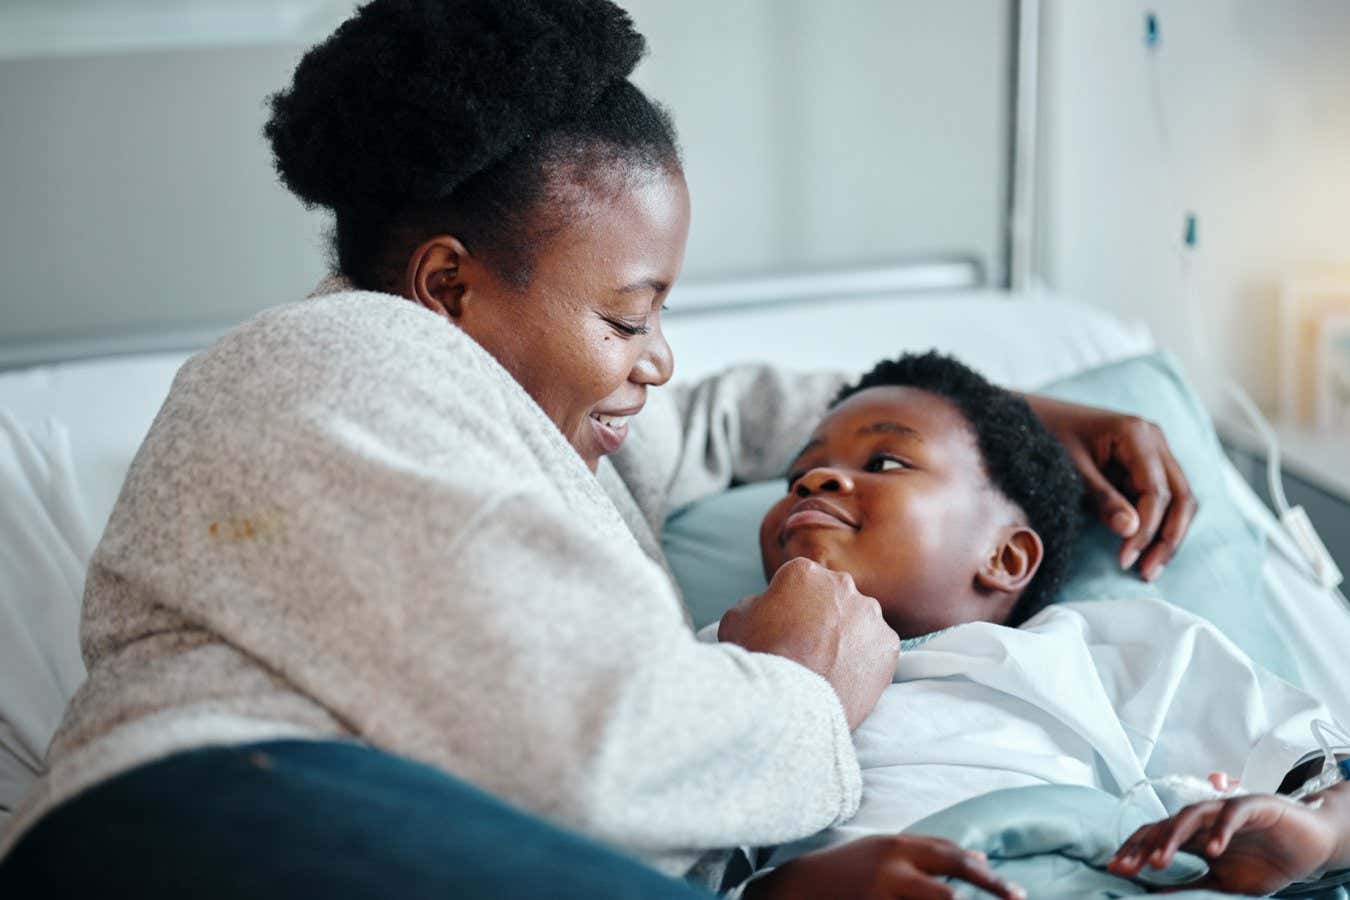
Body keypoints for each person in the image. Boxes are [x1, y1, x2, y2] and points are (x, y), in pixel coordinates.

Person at [0, 2, 1199, 897]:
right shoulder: (334, 367)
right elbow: (590, 750)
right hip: (220, 814)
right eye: (627, 320)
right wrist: (803, 688)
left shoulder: (547, 421)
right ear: (448, 288)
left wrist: (1007, 415)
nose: (657, 360)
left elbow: (732, 416)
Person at [708, 351, 1349, 898]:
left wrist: (1319, 835)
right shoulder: (721, 652)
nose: (814, 482)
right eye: (796, 478)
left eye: (886, 463)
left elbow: (1328, 777)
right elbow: (675, 844)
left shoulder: (1107, 650)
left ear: (1006, 557)